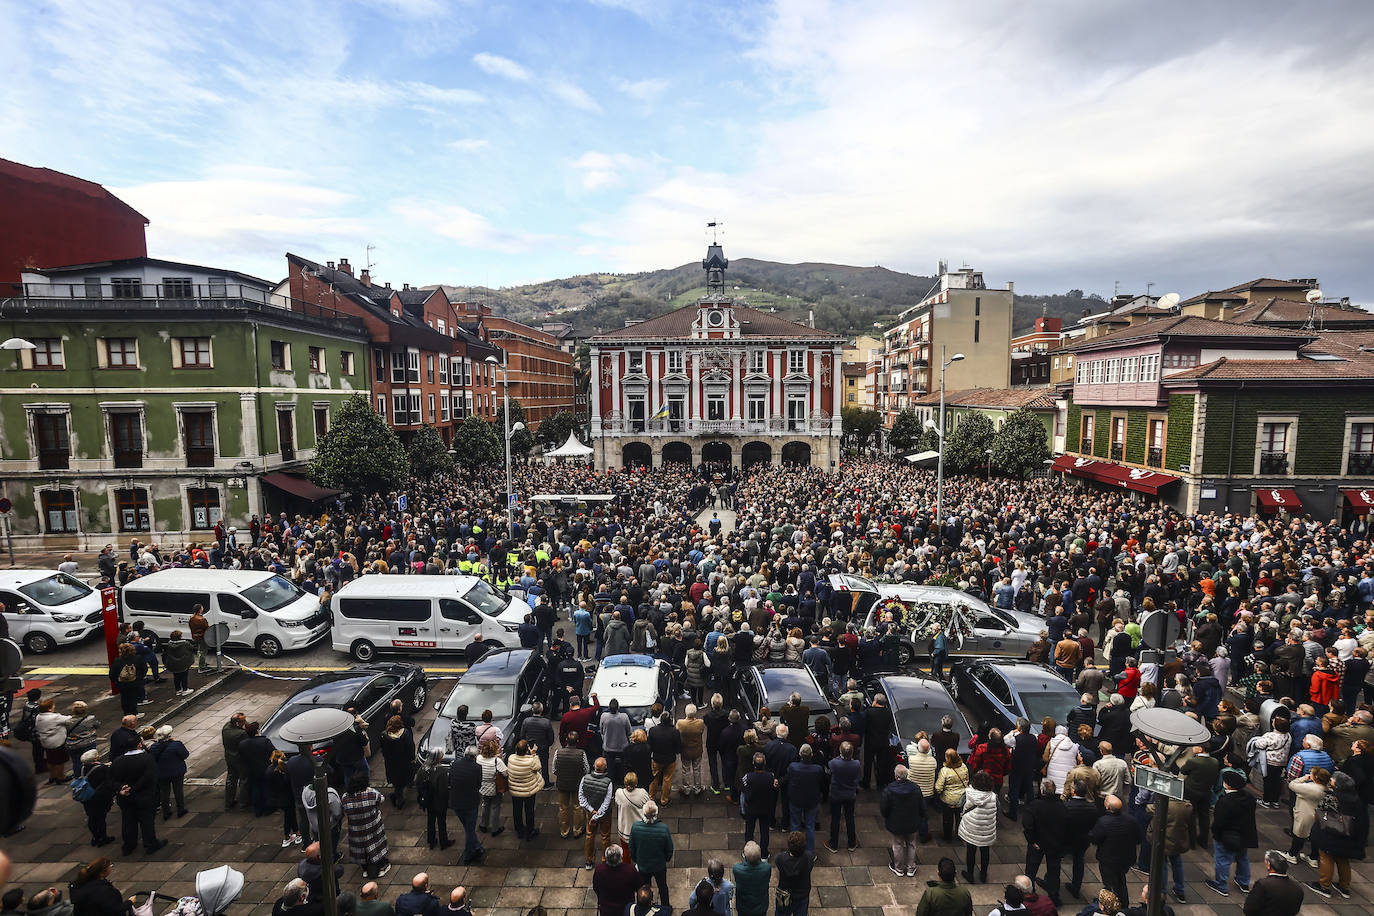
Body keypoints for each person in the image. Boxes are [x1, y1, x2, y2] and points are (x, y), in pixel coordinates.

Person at [1307, 769, 1368, 899]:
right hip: (1348, 834)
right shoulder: (1355, 798)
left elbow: (1319, 811)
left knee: (1326, 857)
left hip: (1331, 833)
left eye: (1333, 780)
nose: (1331, 781)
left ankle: (1324, 886)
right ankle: (1344, 887)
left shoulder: (1332, 797)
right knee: (1343, 859)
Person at [109, 735, 164, 855]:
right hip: (144, 796)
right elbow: (149, 778)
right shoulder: (147, 759)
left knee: (128, 821)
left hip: (125, 797)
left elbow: (111, 780)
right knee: (147, 822)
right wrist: (133, 789)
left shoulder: (118, 761)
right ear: (139, 745)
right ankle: (150, 844)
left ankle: (129, 845)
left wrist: (121, 789)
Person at [1206, 769, 1257, 897]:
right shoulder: (1249, 798)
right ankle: (1243, 882)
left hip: (1227, 836)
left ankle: (1221, 885)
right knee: (1243, 858)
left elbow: (1219, 822)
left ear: (1228, 785)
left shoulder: (1225, 801)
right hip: (1244, 835)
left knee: (1223, 861)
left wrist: (1215, 832)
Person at [1021, 778, 1066, 907]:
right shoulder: (1062, 806)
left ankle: (1029, 895)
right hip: (1055, 844)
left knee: (1031, 870)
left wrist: (1032, 840)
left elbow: (1028, 824)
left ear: (1042, 791)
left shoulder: (1035, 805)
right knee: (1054, 871)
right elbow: (1066, 825)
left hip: (1038, 844)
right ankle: (1054, 896)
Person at [1087, 794, 1136, 904]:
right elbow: (1137, 838)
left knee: (1110, 883)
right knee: (1121, 880)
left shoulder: (1103, 822)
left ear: (1108, 807)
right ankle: (1123, 902)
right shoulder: (1131, 820)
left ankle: (1111, 903)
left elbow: (1094, 838)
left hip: (1108, 859)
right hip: (1125, 858)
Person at [341, 774, 390, 880]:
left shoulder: (345, 797)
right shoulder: (371, 794)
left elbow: (344, 809)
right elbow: (381, 799)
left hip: (356, 829)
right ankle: (382, 866)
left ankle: (365, 869)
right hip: (373, 826)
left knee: (360, 848)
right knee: (377, 845)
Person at [1146, 794, 1192, 904]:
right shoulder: (1186, 806)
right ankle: (1180, 890)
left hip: (1164, 840)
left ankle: (1162, 891)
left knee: (1162, 865)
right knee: (1177, 863)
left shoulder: (1166, 805)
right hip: (1178, 839)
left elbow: (1149, 809)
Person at [881, 763, 925, 877]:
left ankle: (899, 868)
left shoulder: (889, 790)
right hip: (912, 822)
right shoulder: (916, 788)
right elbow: (922, 807)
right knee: (911, 844)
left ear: (896, 776)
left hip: (896, 823)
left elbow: (884, 808)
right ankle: (911, 868)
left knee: (898, 845)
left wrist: (887, 817)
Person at [628, 800, 674, 907]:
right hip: (659, 866)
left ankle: (647, 905)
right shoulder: (663, 829)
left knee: (645, 888)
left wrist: (637, 860)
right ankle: (666, 907)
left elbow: (632, 848)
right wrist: (666, 859)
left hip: (643, 866)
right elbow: (669, 849)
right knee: (663, 887)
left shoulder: (635, 827)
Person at [448, 745, 486, 864]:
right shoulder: (477, 768)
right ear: (475, 756)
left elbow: (450, 782)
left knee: (468, 828)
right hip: (470, 803)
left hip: (456, 802)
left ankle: (478, 847)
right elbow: (478, 784)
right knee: (470, 830)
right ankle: (468, 855)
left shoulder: (455, 764)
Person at [958, 770, 998, 885]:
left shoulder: (968, 794)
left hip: (971, 828)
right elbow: (997, 812)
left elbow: (961, 805)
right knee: (985, 852)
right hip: (986, 830)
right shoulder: (994, 797)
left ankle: (970, 874)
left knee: (970, 852)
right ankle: (983, 874)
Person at [785, 744, 824, 854]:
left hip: (796, 800)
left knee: (795, 825)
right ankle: (810, 852)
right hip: (812, 800)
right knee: (810, 826)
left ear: (800, 755)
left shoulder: (793, 767)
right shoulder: (817, 769)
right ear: (811, 755)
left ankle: (793, 850)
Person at [579, 757, 615, 869]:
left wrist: (592, 811)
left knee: (590, 835)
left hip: (591, 812)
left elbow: (581, 798)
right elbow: (607, 802)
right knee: (605, 836)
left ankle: (588, 861)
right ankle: (605, 861)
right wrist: (598, 814)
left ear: (594, 766)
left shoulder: (585, 779)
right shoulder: (608, 782)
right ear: (605, 768)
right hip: (605, 815)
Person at [825, 739, 860, 852]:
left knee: (835, 819)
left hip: (836, 794)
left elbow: (829, 766)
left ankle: (833, 844)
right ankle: (851, 843)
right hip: (850, 795)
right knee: (850, 818)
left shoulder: (834, 763)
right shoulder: (856, 764)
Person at [148, 724, 189, 821]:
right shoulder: (176, 745)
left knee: (164, 792)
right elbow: (185, 754)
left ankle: (166, 812)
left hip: (162, 773)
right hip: (176, 771)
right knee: (178, 790)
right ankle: (180, 809)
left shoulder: (154, 747)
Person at [1243, 850, 1303, 916]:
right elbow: (1295, 910)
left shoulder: (1263, 885)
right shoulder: (1297, 888)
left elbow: (1249, 908)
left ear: (1268, 865)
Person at [552, 732, 589, 839]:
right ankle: (577, 830)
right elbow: (586, 770)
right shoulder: (581, 753)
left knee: (563, 807)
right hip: (577, 784)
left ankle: (564, 831)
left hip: (562, 784)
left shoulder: (558, 752)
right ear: (577, 741)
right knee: (577, 807)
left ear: (566, 741)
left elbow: (554, 769)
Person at [506, 739, 544, 840]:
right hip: (528, 791)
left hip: (515, 790)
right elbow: (538, 767)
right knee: (529, 810)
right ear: (527, 749)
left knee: (517, 810)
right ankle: (530, 830)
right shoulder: (531, 761)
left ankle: (519, 830)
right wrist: (534, 754)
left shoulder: (511, 758)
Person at [742, 752, 778, 859]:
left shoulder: (747, 777)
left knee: (749, 831)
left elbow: (744, 790)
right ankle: (763, 854)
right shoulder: (771, 777)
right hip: (765, 809)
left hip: (751, 808)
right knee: (764, 831)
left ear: (753, 764)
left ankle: (748, 853)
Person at [772, 830, 815, 916]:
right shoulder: (809, 857)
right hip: (803, 895)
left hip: (785, 896)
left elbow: (777, 875)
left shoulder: (780, 859)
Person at [78, 749, 116, 847]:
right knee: (101, 818)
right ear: (95, 758)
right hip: (99, 797)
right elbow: (108, 781)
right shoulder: (101, 769)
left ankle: (95, 837)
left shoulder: (83, 768)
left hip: (87, 797)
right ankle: (103, 838)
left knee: (92, 817)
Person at [34, 699, 76, 785]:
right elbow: (70, 720)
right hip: (57, 742)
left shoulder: (39, 717)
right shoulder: (55, 717)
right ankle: (60, 777)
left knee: (50, 760)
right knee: (60, 761)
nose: (54, 707)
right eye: (53, 706)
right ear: (49, 709)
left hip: (45, 742)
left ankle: (52, 776)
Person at [417, 748, 452, 850]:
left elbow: (418, 782)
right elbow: (443, 789)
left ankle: (431, 840)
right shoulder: (441, 770)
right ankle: (443, 841)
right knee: (441, 822)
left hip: (428, 800)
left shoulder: (423, 768)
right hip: (439, 801)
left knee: (430, 820)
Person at [933, 748, 969, 842]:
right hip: (962, 798)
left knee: (947, 820)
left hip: (948, 799)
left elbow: (938, 787)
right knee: (959, 818)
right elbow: (967, 780)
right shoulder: (964, 766)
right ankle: (959, 835)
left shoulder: (944, 770)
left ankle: (947, 837)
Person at [380, 715, 416, 810]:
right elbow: (410, 748)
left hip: (391, 763)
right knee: (403, 780)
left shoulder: (384, 735)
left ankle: (397, 794)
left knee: (397, 782)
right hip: (404, 762)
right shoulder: (405, 734)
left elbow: (383, 750)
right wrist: (412, 758)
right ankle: (399, 800)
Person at [239, 721, 274, 817]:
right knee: (266, 789)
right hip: (265, 769)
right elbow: (273, 753)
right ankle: (267, 809)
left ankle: (257, 810)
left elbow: (242, 757)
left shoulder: (243, 744)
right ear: (257, 731)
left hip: (252, 771)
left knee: (255, 789)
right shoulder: (265, 741)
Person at [267, 749, 301, 847]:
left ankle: (296, 833)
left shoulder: (269, 770)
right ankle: (288, 836)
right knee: (289, 816)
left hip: (277, 797)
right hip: (288, 796)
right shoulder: (284, 770)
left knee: (290, 814)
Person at [592, 845, 640, 916]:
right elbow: (638, 887)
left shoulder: (600, 870)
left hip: (607, 909)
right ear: (621, 857)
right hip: (626, 909)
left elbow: (596, 887)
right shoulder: (630, 870)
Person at [647, 711, 682, 806]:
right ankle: (664, 800)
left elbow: (649, 745)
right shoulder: (675, 732)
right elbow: (678, 748)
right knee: (667, 779)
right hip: (669, 759)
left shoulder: (653, 730)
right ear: (670, 720)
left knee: (654, 778)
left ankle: (651, 798)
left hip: (657, 758)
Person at [614, 770, 650, 861]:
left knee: (626, 852)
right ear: (636, 783)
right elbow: (648, 806)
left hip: (624, 829)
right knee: (640, 851)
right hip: (639, 830)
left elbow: (616, 804)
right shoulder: (642, 793)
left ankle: (627, 870)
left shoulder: (619, 793)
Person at [732, 841, 772, 916]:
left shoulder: (737, 869)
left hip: (743, 907)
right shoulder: (767, 868)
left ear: (744, 857)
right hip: (761, 907)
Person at [477, 738, 507, 836]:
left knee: (485, 805)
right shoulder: (496, 761)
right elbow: (505, 773)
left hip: (482, 786)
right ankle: (495, 829)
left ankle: (483, 825)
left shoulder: (479, 758)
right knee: (495, 806)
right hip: (494, 787)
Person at [678, 704, 707, 797]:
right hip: (697, 750)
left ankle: (686, 788)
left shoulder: (680, 723)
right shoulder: (700, 722)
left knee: (685, 770)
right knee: (697, 769)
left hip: (685, 750)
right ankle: (697, 788)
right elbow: (702, 731)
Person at [221, 712, 249, 810]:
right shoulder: (241, 734)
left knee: (231, 779)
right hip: (240, 760)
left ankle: (229, 802)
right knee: (244, 780)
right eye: (243, 721)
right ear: (237, 724)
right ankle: (243, 802)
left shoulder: (226, 727)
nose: (245, 722)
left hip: (230, 758)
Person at [160, 629, 195, 696]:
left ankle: (178, 690)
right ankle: (185, 689)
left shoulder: (169, 644)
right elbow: (192, 648)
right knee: (184, 676)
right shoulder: (185, 643)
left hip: (173, 664)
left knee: (176, 677)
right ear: (179, 637)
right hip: (183, 663)